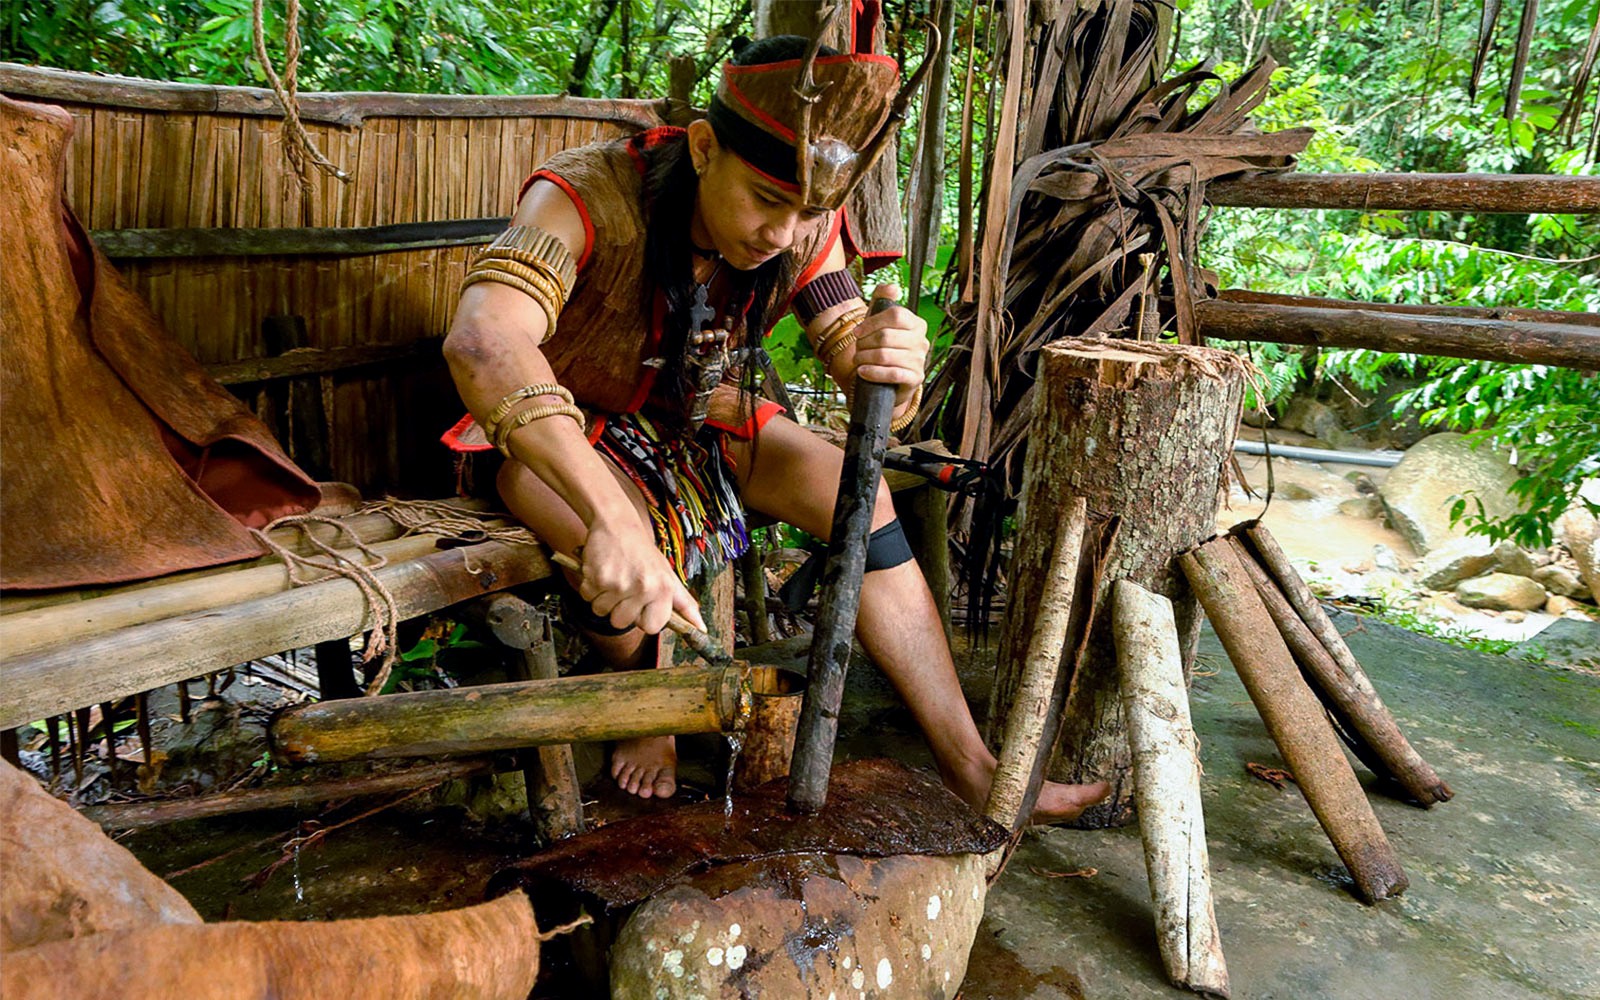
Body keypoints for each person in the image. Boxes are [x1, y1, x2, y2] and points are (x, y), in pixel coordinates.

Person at [442, 34, 1108, 822]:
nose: (783, 233)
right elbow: (484, 340)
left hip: (698, 421)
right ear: (701, 148)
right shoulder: (582, 196)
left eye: (810, 212)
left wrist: (891, 366)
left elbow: (860, 367)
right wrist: (617, 519)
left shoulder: (801, 231)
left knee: (854, 494)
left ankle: (969, 762)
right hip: (560, 431)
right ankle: (648, 702)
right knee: (580, 513)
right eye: (764, 199)